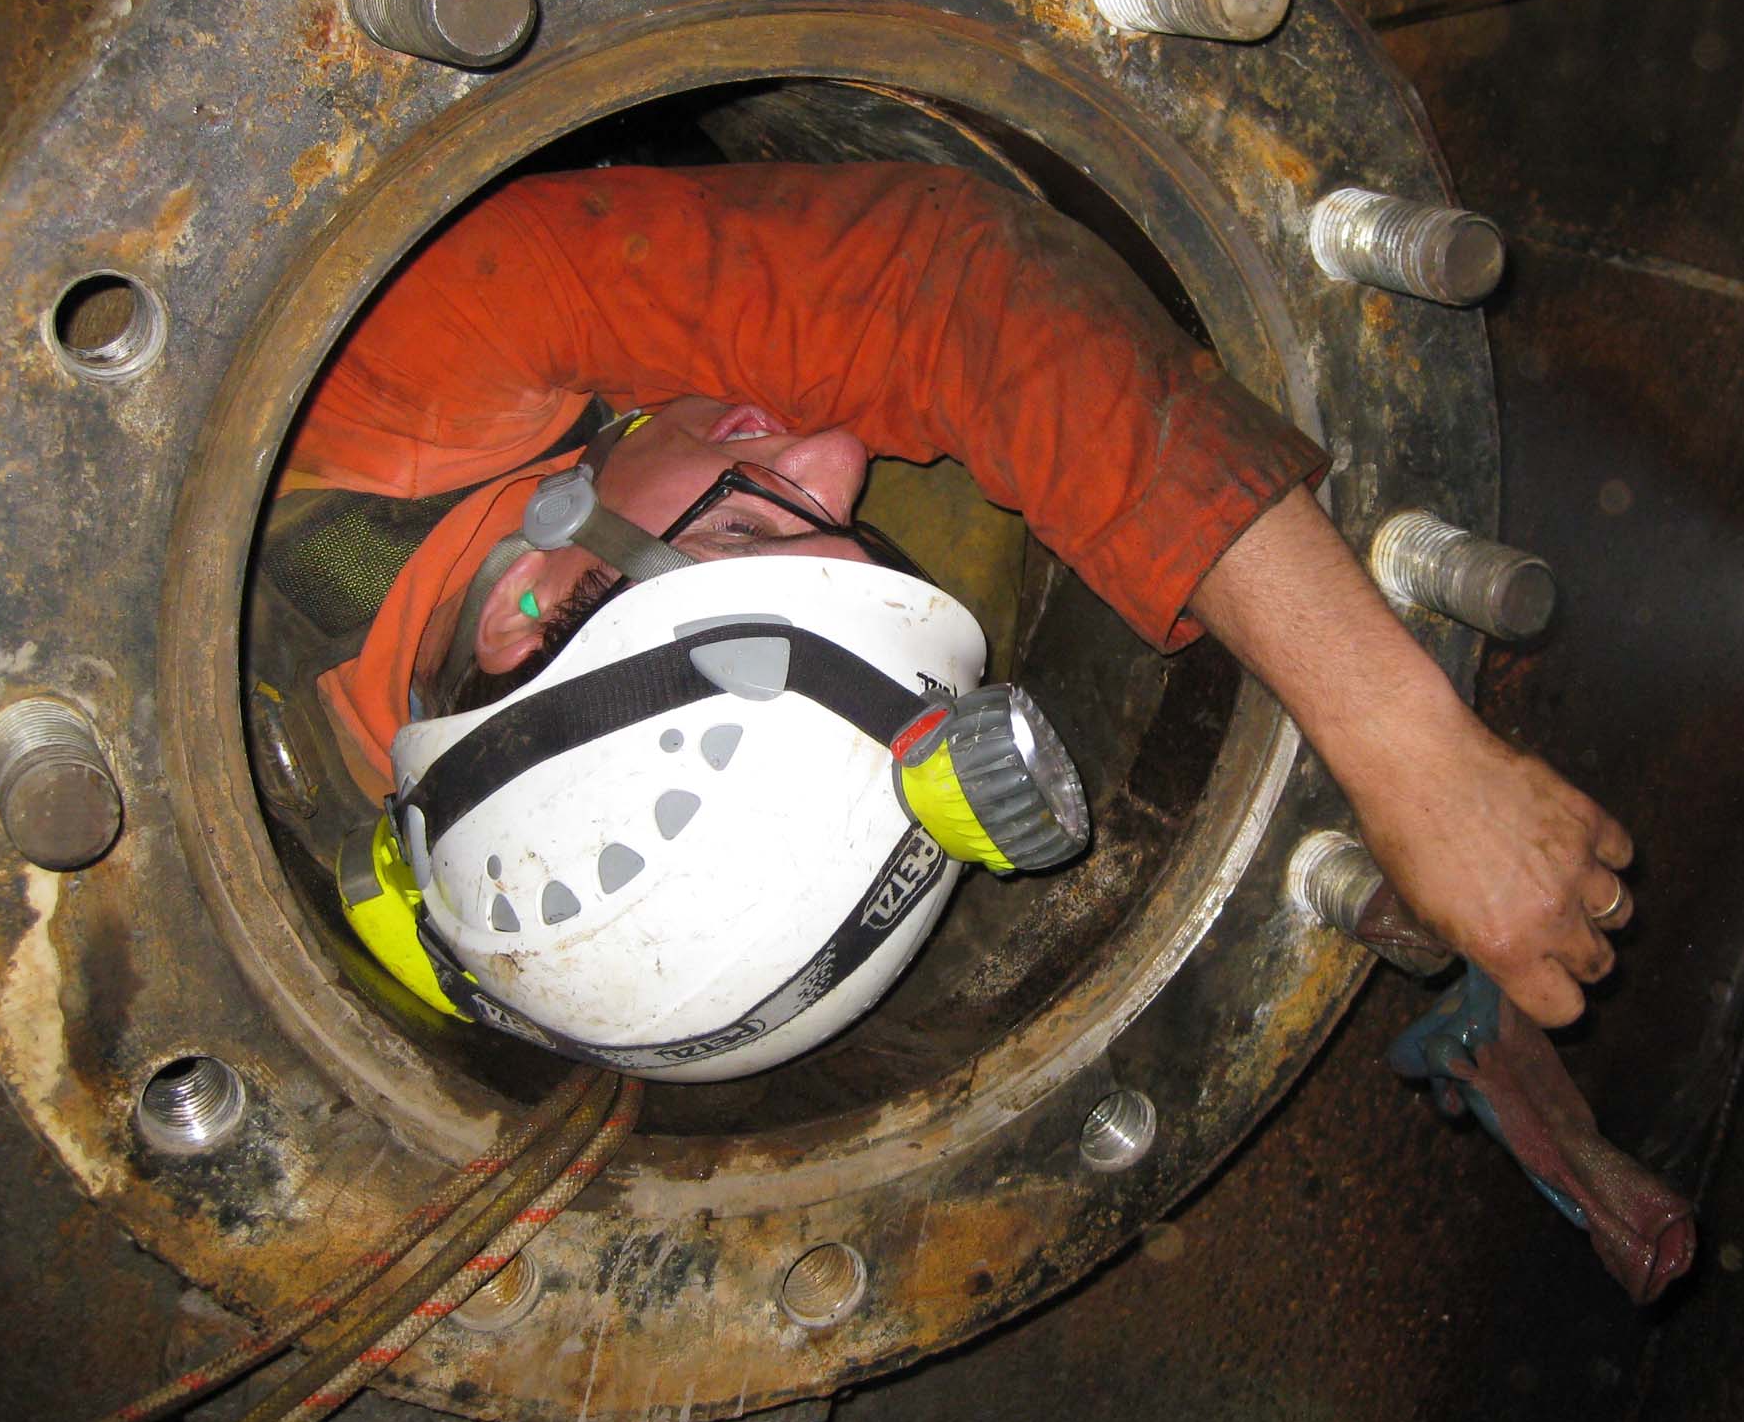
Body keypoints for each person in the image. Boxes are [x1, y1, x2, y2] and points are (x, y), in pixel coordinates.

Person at [276, 160, 1633, 1030]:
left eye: (754, 514)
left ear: (532, 604)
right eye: (827, 519)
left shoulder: (394, 360)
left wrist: (1410, 750)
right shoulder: (472, 781)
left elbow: (948, 293)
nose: (843, 453)